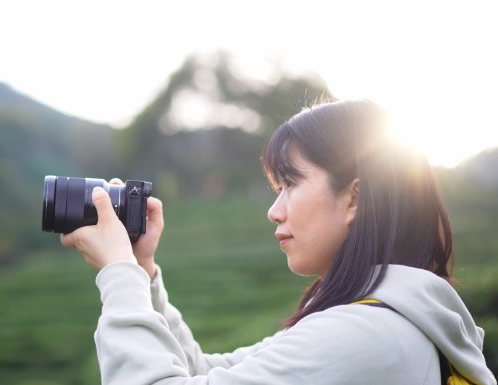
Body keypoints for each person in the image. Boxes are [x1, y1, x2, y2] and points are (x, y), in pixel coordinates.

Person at [60, 99, 496, 385]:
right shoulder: (380, 317)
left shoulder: (366, 334)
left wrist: (118, 275)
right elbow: (206, 373)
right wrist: (141, 271)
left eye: (290, 184)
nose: (276, 210)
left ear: (355, 198)